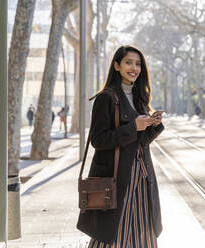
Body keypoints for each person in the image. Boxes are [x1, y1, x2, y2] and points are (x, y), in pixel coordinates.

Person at [77, 45, 164, 247]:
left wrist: (153, 125)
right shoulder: (106, 98)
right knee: (115, 232)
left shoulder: (140, 98)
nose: (134, 67)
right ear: (116, 66)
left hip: (142, 175)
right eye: (128, 62)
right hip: (118, 177)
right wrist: (134, 127)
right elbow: (98, 140)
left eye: (138, 63)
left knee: (143, 228)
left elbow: (139, 142)